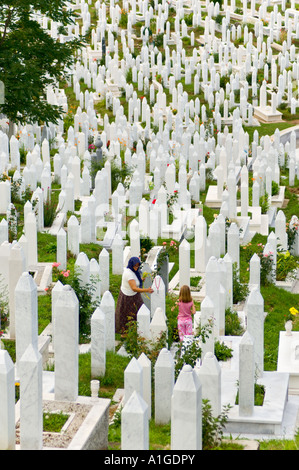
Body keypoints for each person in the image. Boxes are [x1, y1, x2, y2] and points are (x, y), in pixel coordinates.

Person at [115, 256, 153, 334]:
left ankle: (139, 329)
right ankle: (124, 333)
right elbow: (134, 288)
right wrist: (147, 290)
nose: (136, 267)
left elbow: (135, 280)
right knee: (126, 314)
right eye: (135, 266)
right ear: (131, 264)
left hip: (134, 296)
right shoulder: (129, 274)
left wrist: (141, 280)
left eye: (138, 266)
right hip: (128, 296)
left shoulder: (133, 272)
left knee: (140, 310)